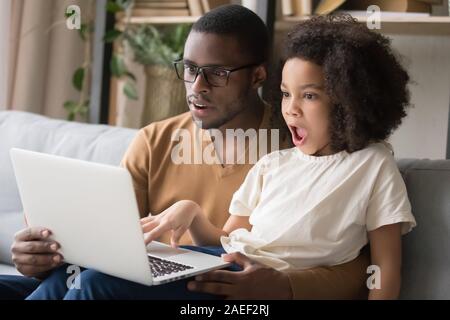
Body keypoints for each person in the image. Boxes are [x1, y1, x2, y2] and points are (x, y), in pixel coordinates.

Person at [0, 6, 370, 300]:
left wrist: (284, 288)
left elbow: (356, 269)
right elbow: (104, 244)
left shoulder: (301, 145)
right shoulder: (155, 141)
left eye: (217, 73)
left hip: (215, 296)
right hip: (131, 286)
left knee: (92, 284)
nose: (197, 87)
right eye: (190, 70)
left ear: (258, 75)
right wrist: (40, 256)